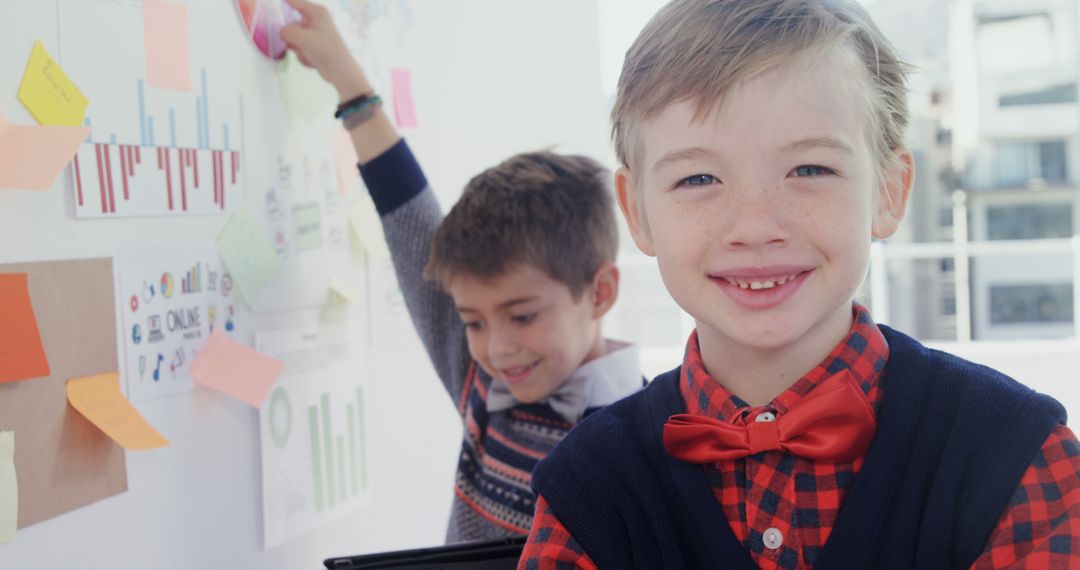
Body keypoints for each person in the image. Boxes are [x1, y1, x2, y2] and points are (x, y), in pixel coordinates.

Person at [519, 0, 1080, 567]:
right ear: (636, 213)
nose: (756, 227)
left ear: (888, 192)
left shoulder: (1016, 455)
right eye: (697, 178)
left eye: (810, 169)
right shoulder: (586, 491)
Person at [281, 0, 644, 544]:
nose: (497, 348)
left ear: (600, 292)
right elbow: (410, 219)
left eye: (521, 316)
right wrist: (347, 80)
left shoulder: (648, 437)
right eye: (474, 322)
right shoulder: (483, 380)